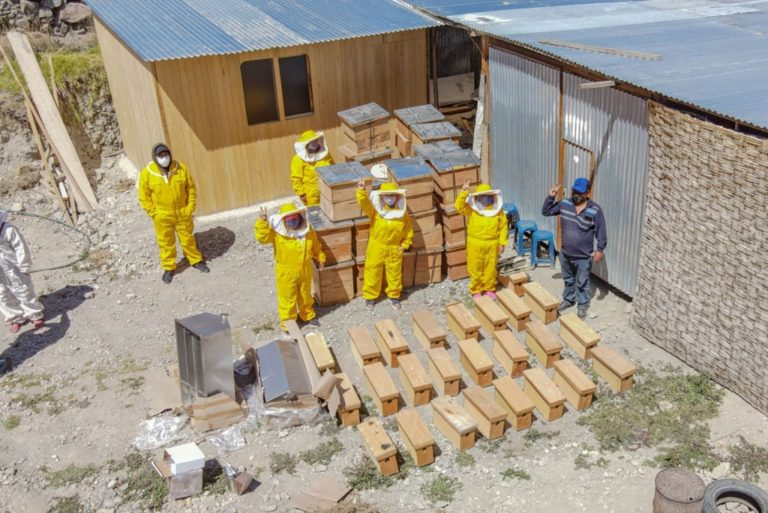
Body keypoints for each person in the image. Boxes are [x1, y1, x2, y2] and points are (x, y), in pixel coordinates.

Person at [138, 143, 210, 284]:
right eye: (161, 155)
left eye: (166, 154)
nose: (164, 158)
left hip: (182, 212)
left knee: (188, 238)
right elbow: (143, 195)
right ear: (155, 157)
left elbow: (191, 188)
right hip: (162, 215)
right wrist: (153, 213)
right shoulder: (147, 173)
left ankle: (195, 260)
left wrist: (190, 208)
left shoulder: (180, 168)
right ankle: (169, 267)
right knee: (165, 242)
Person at [542, 177, 607, 320]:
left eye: (580, 192)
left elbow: (601, 231)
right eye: (574, 191)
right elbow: (546, 212)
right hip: (565, 253)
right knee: (568, 279)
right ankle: (569, 299)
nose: (576, 194)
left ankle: (582, 306)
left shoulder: (595, 210)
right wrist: (551, 196)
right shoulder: (565, 204)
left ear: (587, 193)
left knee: (582, 282)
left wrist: (600, 249)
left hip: (583, 257)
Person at [255, 203, 326, 332]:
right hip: (286, 271)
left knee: (305, 294)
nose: (292, 223)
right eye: (289, 220)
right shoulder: (277, 233)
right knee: (287, 297)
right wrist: (262, 222)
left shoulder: (307, 230)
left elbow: (315, 245)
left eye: (295, 219)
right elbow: (262, 238)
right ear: (283, 220)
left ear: (300, 218)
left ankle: (307, 315)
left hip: (305, 268)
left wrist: (320, 257)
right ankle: (288, 324)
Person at [356, 180, 413, 310]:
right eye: (387, 195)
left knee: (394, 273)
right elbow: (364, 203)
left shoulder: (402, 213)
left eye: (392, 195)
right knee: (372, 270)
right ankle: (370, 297)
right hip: (377, 245)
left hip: (394, 247)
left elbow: (408, 230)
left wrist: (404, 245)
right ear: (381, 196)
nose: (389, 198)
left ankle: (394, 296)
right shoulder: (375, 211)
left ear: (397, 196)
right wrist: (361, 191)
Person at [455, 181, 508, 300]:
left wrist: (502, 243)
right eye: (482, 196)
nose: (485, 198)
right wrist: (464, 192)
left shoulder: (497, 209)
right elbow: (459, 207)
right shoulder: (472, 208)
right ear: (477, 196)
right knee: (475, 267)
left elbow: (504, 226)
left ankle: (489, 288)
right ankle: (476, 290)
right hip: (475, 243)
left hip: (492, 244)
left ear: (492, 195)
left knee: (490, 267)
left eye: (487, 196)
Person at [0, 210, 44, 333]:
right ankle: (15, 318)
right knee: (2, 295)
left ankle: (34, 314)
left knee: (23, 290)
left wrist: (24, 265)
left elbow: (21, 248)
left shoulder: (7, 229)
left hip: (13, 268)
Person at [290, 130, 334, 206]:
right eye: (312, 141)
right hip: (311, 195)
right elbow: (296, 178)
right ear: (306, 144)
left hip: (328, 189)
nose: (315, 142)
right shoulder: (298, 159)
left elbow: (333, 167)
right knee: (315, 214)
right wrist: (301, 194)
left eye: (315, 140)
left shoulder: (325, 154)